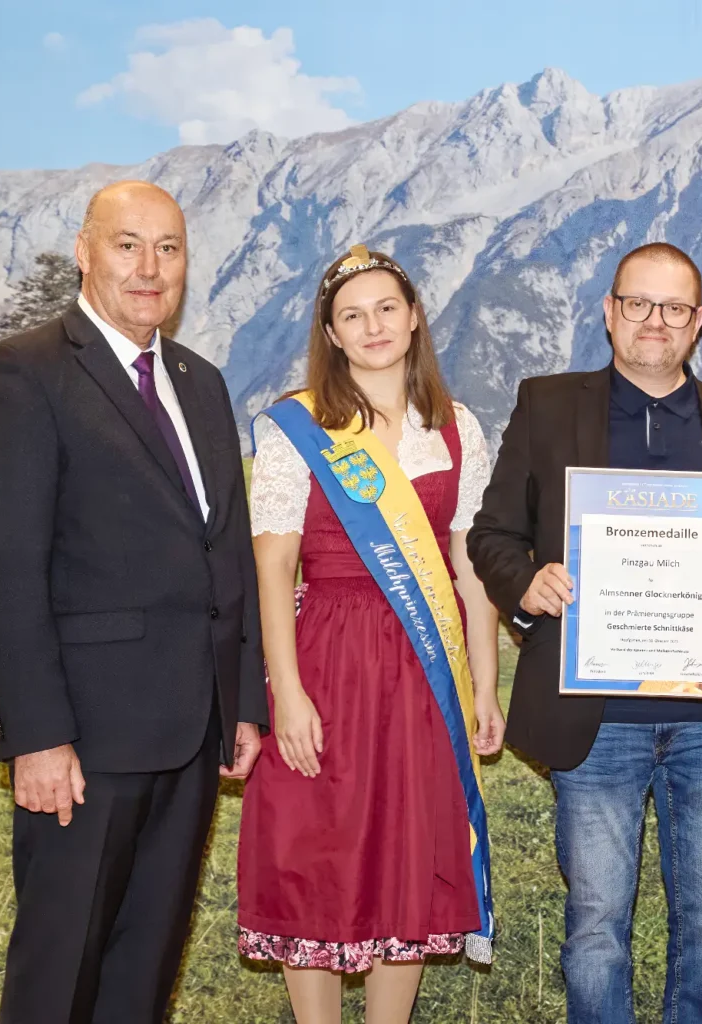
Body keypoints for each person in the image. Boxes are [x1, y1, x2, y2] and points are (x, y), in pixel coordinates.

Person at [467, 242, 702, 1024]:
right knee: (595, 931)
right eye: (639, 305)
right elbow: (492, 536)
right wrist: (528, 584)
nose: (656, 322)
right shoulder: (548, 405)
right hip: (597, 718)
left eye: (675, 308)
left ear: (699, 323)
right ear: (609, 312)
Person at [0, 180, 268, 1023]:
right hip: (85, 745)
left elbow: (226, 551)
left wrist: (242, 701)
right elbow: (3, 567)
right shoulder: (22, 373)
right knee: (60, 975)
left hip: (191, 734)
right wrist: (38, 736)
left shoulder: (200, 383)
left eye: (168, 248)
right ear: (84, 251)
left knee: (144, 971)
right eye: (128, 244)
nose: (149, 267)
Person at [236, 245, 503, 1024]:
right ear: (332, 333)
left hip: (425, 669)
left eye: (387, 308)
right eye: (352, 315)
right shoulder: (296, 427)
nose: (374, 326)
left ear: (414, 317)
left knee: (408, 848)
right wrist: (285, 692)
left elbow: (470, 568)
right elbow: (273, 566)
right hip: (324, 658)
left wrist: (484, 683)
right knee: (311, 844)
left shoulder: (457, 430)